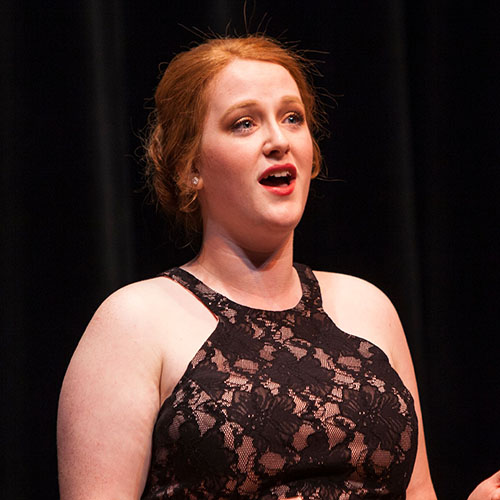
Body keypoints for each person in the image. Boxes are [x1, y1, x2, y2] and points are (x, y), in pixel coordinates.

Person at [57, 35, 497, 499]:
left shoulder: (368, 308)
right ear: (190, 165)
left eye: (292, 118)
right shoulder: (133, 322)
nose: (278, 140)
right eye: (244, 123)